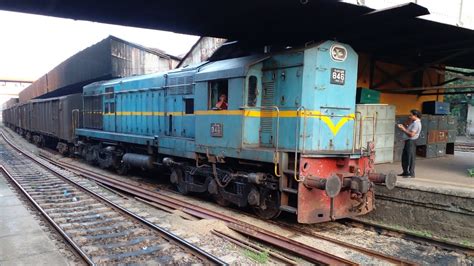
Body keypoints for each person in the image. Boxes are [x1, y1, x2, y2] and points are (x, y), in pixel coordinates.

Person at [397, 109, 422, 178]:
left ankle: (411, 173)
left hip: (411, 141)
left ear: (415, 115)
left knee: (410, 157)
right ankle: (405, 172)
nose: (409, 116)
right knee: (405, 157)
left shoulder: (416, 124)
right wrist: (406, 124)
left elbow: (411, 135)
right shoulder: (413, 122)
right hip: (408, 141)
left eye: (411, 115)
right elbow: (407, 127)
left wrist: (403, 129)